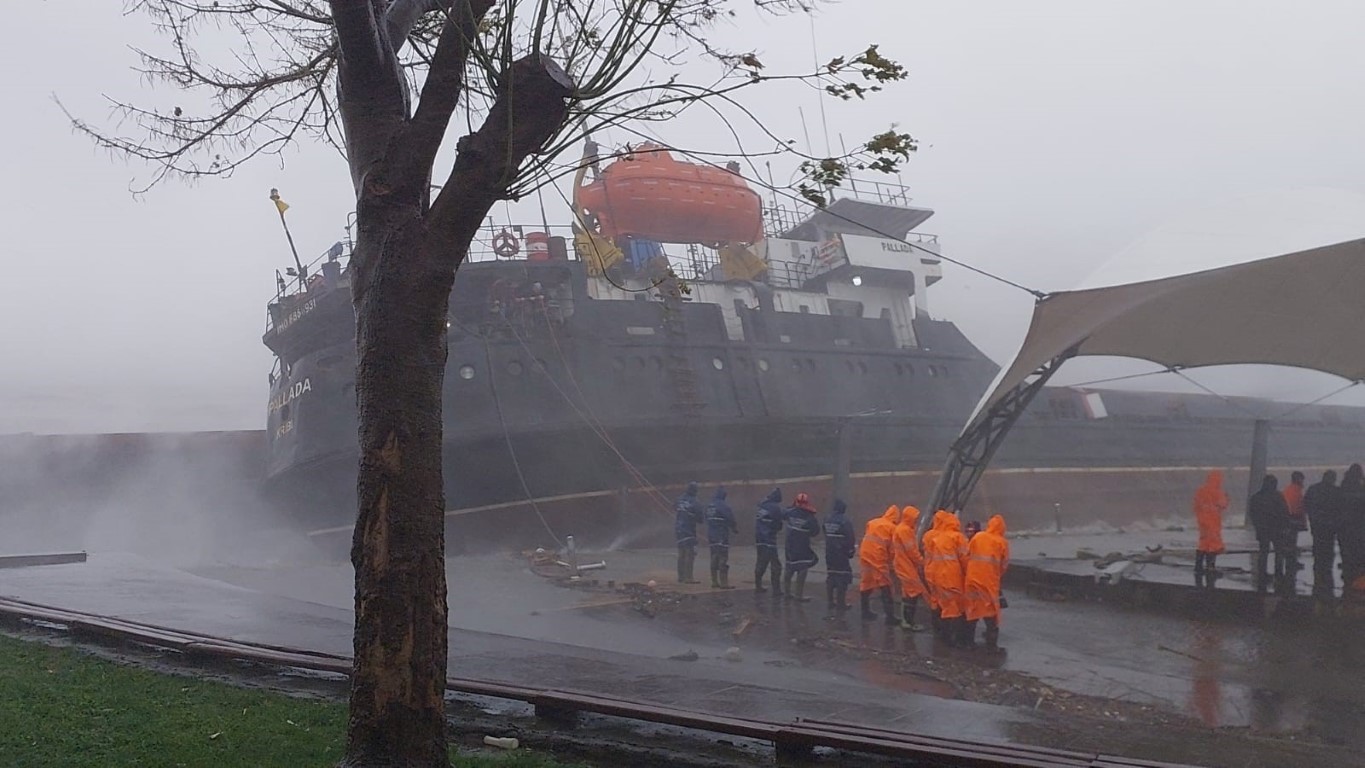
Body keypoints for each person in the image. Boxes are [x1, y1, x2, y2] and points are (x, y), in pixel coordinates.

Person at [963, 514, 1010, 649]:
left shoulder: (978, 537)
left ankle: (968, 643)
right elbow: (1004, 565)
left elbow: (967, 555)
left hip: (972, 580)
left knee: (972, 610)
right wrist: (996, 575)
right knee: (991, 614)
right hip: (989, 582)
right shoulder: (1002, 542)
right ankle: (991, 646)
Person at [922, 510, 969, 645]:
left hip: (937, 576)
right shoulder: (958, 538)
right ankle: (954, 639)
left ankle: (942, 634)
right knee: (954, 607)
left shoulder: (937, 538)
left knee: (942, 605)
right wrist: (967, 574)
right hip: (952, 577)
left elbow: (930, 558)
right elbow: (964, 559)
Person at [1248, 474, 1293, 594]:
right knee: (1279, 552)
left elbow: (1252, 513)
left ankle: (1262, 573)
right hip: (1276, 529)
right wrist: (1286, 526)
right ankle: (1278, 574)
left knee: (1263, 551)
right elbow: (1284, 512)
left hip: (1262, 529)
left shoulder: (1256, 497)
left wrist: (1258, 525)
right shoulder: (1278, 496)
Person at [858, 505, 899, 623]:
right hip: (878, 556)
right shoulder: (892, 528)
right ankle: (890, 617)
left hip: (865, 552)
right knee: (885, 583)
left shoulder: (873, 522)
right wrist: (891, 564)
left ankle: (865, 612)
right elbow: (892, 550)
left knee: (866, 581)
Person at [1304, 469, 1341, 601]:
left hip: (1317, 525)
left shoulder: (1313, 489)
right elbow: (1340, 508)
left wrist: (1312, 519)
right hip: (1330, 526)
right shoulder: (1336, 491)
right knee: (1328, 549)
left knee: (1318, 547)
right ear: (1332, 478)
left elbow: (1306, 504)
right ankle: (1326, 571)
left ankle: (1318, 569)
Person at [891, 505, 928, 632]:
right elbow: (912, 551)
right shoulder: (905, 530)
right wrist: (923, 562)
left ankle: (905, 621)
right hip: (905, 566)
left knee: (907, 593)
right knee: (914, 592)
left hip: (903, 565)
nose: (916, 520)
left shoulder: (903, 529)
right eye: (915, 518)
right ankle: (909, 622)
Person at [782, 492, 822, 602]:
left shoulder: (790, 512)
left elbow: (782, 514)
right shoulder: (809, 516)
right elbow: (815, 532)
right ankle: (798, 595)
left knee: (789, 566)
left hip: (789, 545)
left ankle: (787, 593)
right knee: (803, 567)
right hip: (802, 545)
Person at [1192, 470, 1228, 586]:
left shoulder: (1200, 491)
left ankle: (1198, 566)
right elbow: (1223, 505)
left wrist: (1200, 516)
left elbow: (1196, 506)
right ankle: (1210, 567)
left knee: (1203, 543)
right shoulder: (1217, 492)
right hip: (1213, 521)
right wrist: (1227, 499)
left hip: (1202, 521)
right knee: (1213, 545)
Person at [823, 499, 856, 613]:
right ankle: (841, 603)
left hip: (829, 552)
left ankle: (830, 601)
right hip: (841, 553)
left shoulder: (827, 518)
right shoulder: (845, 521)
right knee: (843, 577)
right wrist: (850, 551)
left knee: (831, 575)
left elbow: (825, 532)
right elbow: (850, 538)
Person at [1337, 464, 1365, 594]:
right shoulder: (1360, 488)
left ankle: (1348, 571)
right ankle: (1357, 574)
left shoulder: (1343, 487)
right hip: (1358, 525)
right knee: (1358, 549)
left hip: (1343, 524)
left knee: (1346, 549)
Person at [705, 487, 738, 590]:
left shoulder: (710, 505)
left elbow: (704, 517)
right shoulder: (723, 506)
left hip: (711, 535)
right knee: (723, 557)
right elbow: (731, 519)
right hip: (721, 535)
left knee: (714, 556)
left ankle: (714, 582)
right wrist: (734, 528)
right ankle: (724, 583)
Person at [754, 488, 784, 596]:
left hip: (759, 539)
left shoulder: (762, 506)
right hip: (769, 540)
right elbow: (778, 524)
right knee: (776, 565)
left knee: (761, 562)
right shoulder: (775, 508)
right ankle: (776, 590)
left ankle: (758, 586)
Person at [674, 481, 703, 584]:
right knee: (690, 554)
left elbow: (674, 507)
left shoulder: (679, 499)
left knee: (681, 554)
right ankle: (689, 578)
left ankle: (681, 577)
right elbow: (700, 518)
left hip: (678, 529)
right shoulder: (695, 502)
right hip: (689, 530)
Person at [1283, 471, 1308, 568]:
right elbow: (1299, 506)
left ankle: (1291, 561)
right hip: (1293, 518)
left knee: (1290, 542)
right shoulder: (1296, 491)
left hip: (1289, 518)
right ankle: (1291, 562)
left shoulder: (1288, 490)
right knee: (1291, 542)